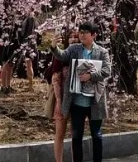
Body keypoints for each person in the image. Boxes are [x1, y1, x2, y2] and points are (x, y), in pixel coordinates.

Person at [50, 22, 111, 162]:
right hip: (77, 100)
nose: (81, 35)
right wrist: (54, 46)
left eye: (85, 32)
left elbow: (107, 71)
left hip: (95, 100)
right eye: (80, 32)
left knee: (96, 134)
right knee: (76, 136)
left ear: (94, 35)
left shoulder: (102, 52)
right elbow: (61, 55)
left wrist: (91, 76)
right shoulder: (74, 49)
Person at [49, 28, 80, 162]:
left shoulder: (82, 55)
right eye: (71, 37)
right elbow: (55, 80)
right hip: (61, 100)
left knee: (76, 135)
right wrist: (59, 101)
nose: (73, 39)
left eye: (76, 37)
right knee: (60, 134)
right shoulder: (61, 56)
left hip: (78, 100)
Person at [19, 9, 38, 92]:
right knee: (29, 65)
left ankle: (30, 86)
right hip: (33, 43)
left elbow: (23, 32)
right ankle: (31, 85)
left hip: (27, 43)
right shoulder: (35, 20)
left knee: (29, 64)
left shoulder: (28, 20)